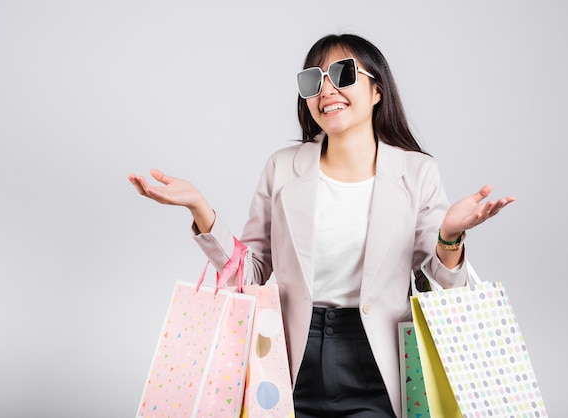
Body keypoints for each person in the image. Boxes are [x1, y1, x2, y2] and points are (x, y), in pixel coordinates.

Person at [128, 34, 515, 418]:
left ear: (377, 90)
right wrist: (200, 209)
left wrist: (450, 238)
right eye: (313, 80)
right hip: (288, 358)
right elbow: (250, 274)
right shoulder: (282, 168)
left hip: (378, 360)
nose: (327, 88)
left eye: (343, 74)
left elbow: (441, 289)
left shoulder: (417, 173)